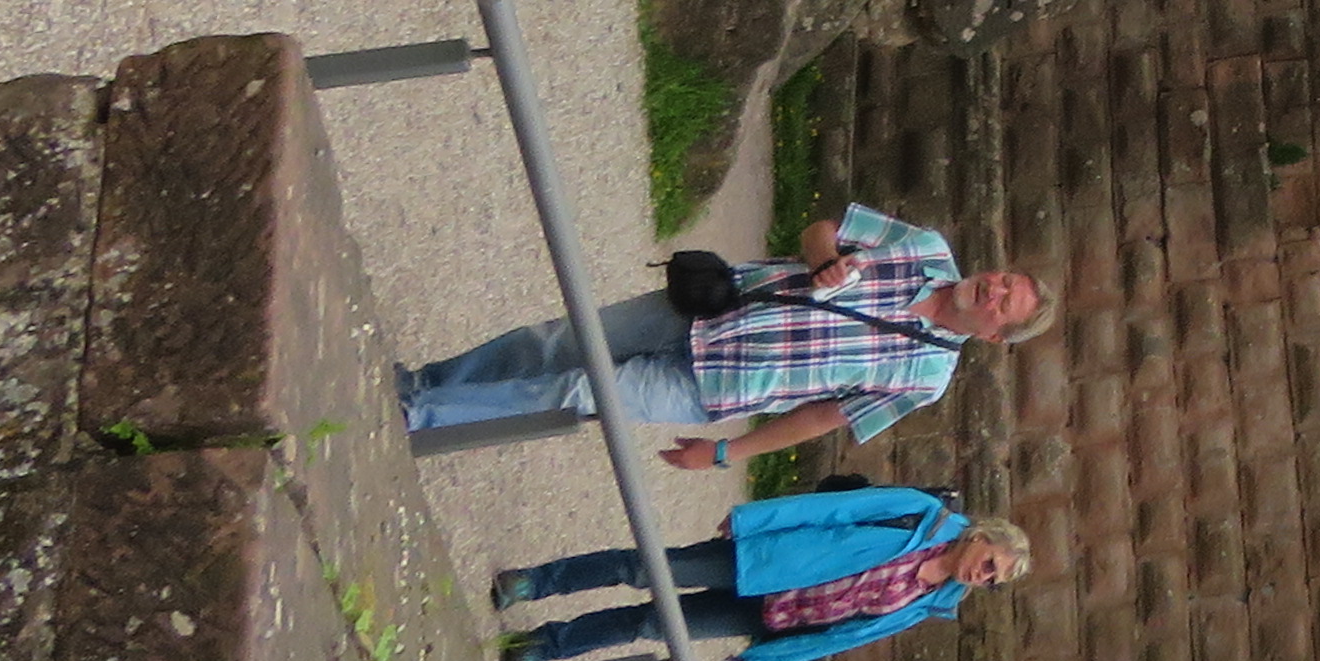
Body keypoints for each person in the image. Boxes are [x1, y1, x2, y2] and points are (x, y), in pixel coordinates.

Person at [399, 201, 1050, 464]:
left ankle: (419, 414)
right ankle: (427, 384)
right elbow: (821, 227)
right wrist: (825, 257)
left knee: (577, 390)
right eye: (1001, 279)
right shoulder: (926, 249)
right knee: (555, 342)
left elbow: (824, 416)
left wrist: (726, 455)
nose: (992, 288)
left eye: (1003, 303)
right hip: (714, 305)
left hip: (716, 383)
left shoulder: (927, 377)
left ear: (994, 336)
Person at [495, 492, 1033, 661]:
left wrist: (770, 659)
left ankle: (544, 645)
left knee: (650, 624)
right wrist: (755, 520)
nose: (981, 577)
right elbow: (834, 510)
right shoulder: (922, 514)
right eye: (990, 564)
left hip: (773, 617)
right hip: (768, 564)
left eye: (992, 581)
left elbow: (845, 637)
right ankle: (534, 582)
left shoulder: (936, 603)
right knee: (644, 570)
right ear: (981, 536)